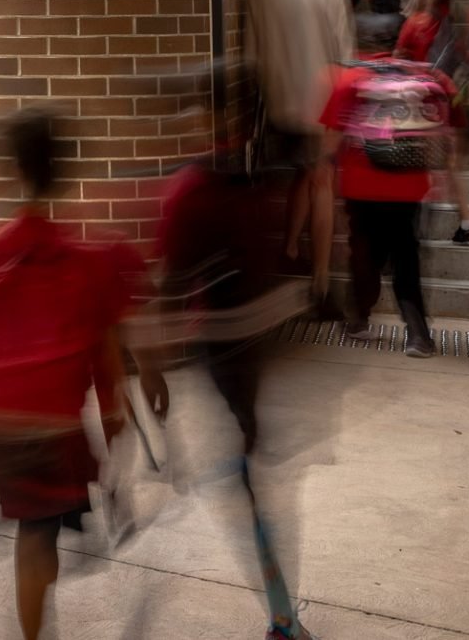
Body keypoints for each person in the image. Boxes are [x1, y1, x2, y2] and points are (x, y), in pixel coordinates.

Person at [137, 69, 314, 640]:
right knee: (249, 471)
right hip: (238, 345)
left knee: (247, 473)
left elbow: (170, 281)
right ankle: (282, 616)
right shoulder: (246, 177)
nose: (191, 123)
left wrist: (152, 362)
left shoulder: (200, 187)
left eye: (199, 111)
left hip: (232, 345)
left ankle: (282, 616)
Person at [0, 108, 141, 640]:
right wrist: (113, 416)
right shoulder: (88, 258)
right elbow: (106, 353)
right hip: (53, 428)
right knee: (44, 534)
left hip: (3, 425)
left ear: (12, 170)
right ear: (65, 170)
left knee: (34, 534)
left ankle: (36, 633)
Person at [247, 0, 354, 315]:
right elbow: (344, 53)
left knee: (304, 176)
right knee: (323, 183)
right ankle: (322, 284)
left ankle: (290, 249)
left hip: (278, 105)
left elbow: (252, 54)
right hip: (320, 104)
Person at [321, 46, 456, 355]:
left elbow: (329, 140)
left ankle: (357, 316)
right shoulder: (422, 77)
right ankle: (418, 335)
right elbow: (450, 125)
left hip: (363, 185)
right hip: (410, 184)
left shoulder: (352, 79)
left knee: (366, 252)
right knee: (405, 254)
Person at [398, 0, 469, 248]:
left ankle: (415, 230)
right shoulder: (455, 28)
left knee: (420, 168)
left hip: (421, 109)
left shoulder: (415, 25)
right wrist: (464, 94)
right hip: (450, 109)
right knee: (452, 167)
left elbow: (398, 62)